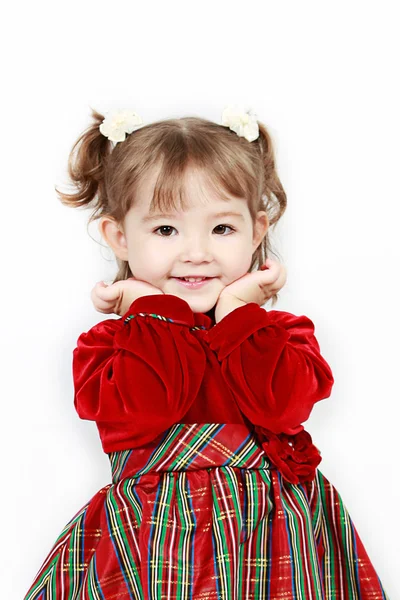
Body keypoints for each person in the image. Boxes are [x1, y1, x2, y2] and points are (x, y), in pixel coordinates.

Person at [23, 105, 389, 599]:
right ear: (119, 237)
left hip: (271, 540)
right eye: (166, 230)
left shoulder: (280, 334)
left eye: (221, 229)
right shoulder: (107, 346)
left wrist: (238, 309)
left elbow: (281, 408)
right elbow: (149, 409)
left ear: (257, 232)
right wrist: (151, 309)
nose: (197, 252)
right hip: (153, 544)